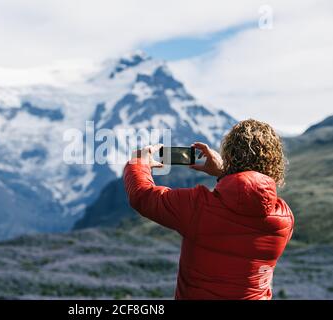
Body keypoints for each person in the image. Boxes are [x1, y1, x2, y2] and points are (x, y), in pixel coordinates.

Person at [123, 119, 294, 300]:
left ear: (228, 155)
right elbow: (248, 198)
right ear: (274, 163)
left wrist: (137, 163)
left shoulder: (198, 207)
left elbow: (143, 196)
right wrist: (224, 173)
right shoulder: (284, 219)